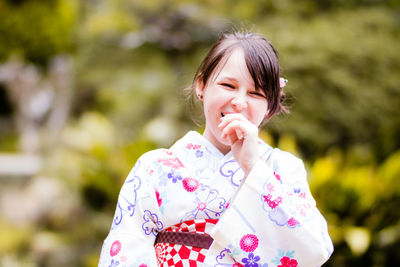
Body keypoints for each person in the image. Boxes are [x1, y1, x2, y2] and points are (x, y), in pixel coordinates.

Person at [98, 31, 333, 267]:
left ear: (270, 106)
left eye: (256, 93)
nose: (239, 102)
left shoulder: (283, 169)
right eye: (228, 85)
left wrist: (253, 168)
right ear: (201, 85)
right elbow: (124, 252)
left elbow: (313, 251)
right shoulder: (154, 168)